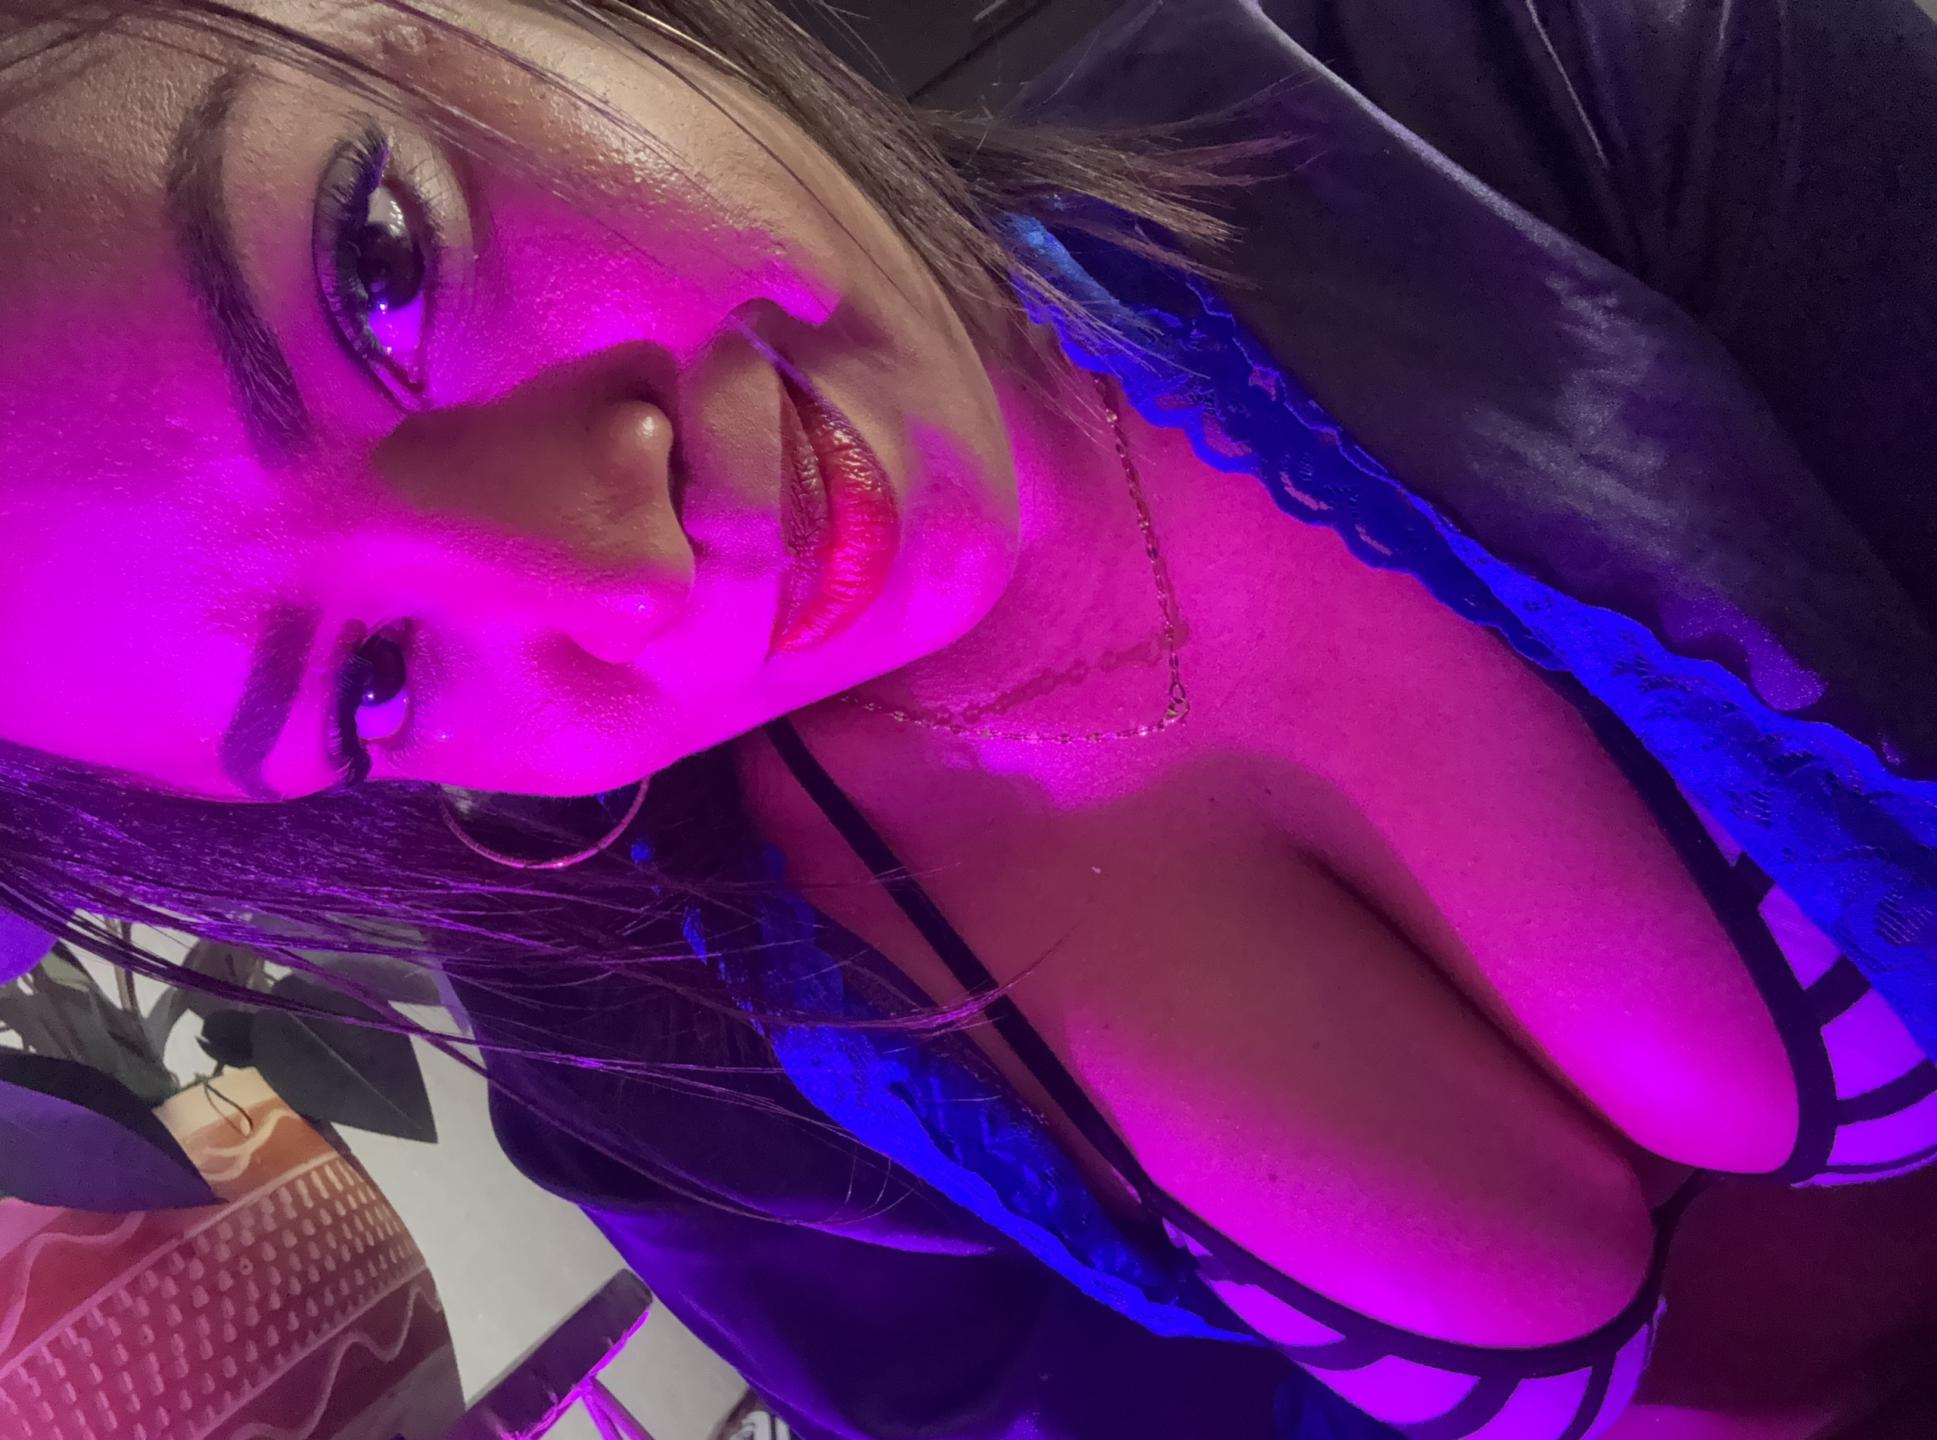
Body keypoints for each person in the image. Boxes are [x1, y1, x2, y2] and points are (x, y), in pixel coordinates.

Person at [1, 0, 1934, 1436]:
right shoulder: (647, 1052)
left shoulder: (1559, 72)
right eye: (371, 679)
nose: (628, 571)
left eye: (383, 267)